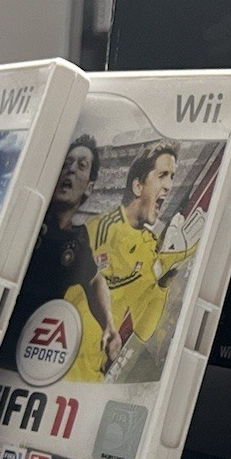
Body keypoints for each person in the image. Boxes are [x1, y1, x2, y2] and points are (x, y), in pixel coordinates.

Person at [0, 136, 116, 459]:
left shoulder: (78, 240)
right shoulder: (25, 220)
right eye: (66, 162)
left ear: (89, 186)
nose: (71, 170)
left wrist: (109, 326)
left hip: (37, 371)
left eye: (82, 166)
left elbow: (95, 281)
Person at [66, 140, 194, 383]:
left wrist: (162, 287)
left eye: (172, 177)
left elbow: (143, 331)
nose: (169, 186)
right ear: (138, 185)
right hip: (61, 365)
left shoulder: (149, 249)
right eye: (162, 175)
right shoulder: (98, 231)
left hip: (91, 377)